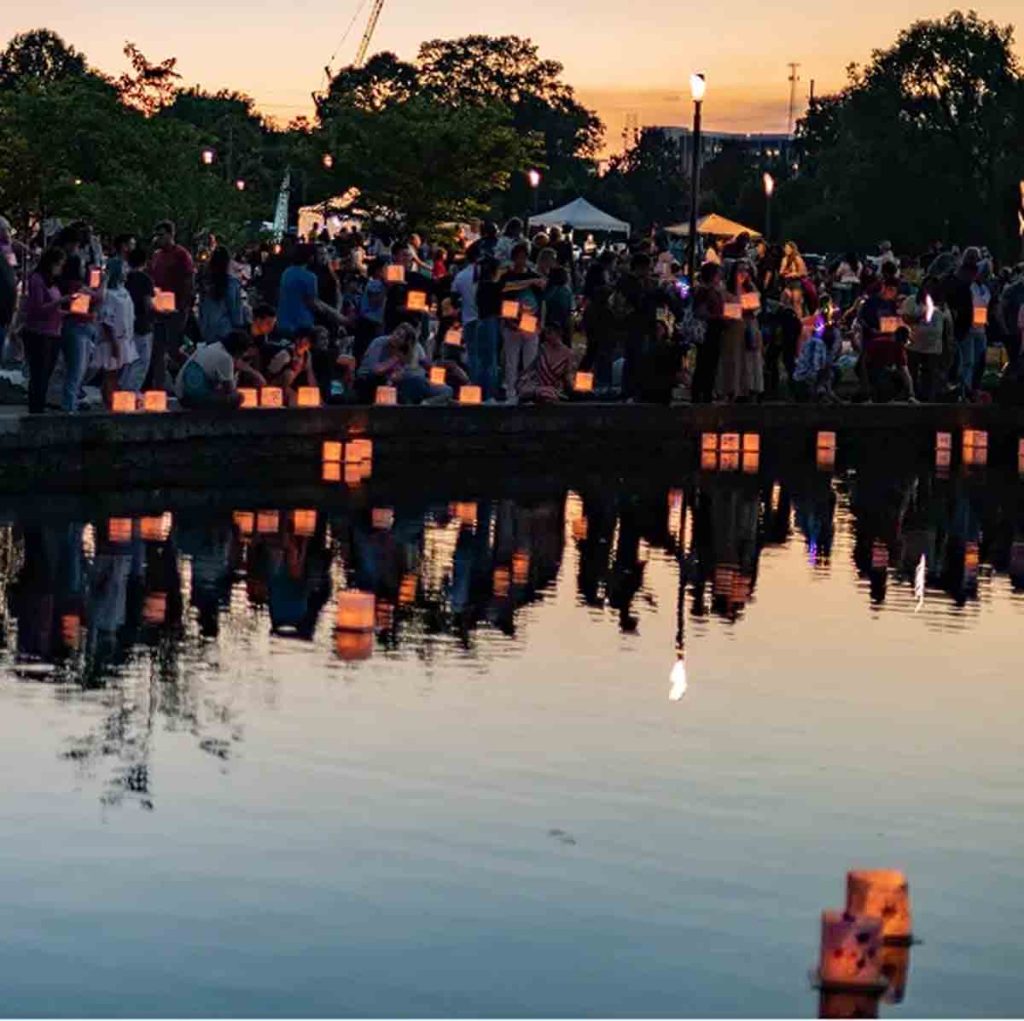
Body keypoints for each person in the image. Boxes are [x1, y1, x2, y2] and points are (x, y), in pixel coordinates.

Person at [23, 247, 72, 413]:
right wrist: (60, 302)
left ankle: (40, 405)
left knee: (47, 373)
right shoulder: (37, 280)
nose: (60, 268)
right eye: (59, 264)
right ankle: (36, 407)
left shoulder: (53, 283)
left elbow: (51, 309)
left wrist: (68, 312)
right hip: (39, 332)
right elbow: (38, 308)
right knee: (39, 374)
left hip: (54, 331)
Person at [148, 220, 195, 392]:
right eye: (157, 235)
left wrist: (183, 307)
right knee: (157, 349)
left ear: (170, 235)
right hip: (159, 308)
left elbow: (189, 280)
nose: (159, 239)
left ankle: (194, 371)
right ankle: (158, 387)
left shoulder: (182, 255)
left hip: (176, 308)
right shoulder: (156, 255)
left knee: (174, 349)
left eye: (162, 235)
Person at [91, 258, 137, 407]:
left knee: (118, 373)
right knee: (110, 372)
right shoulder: (109, 294)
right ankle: (109, 401)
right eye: (123, 269)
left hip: (125, 337)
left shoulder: (124, 291)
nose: (126, 272)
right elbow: (106, 319)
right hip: (112, 340)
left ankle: (115, 399)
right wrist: (114, 342)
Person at [501, 243, 544, 400]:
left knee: (530, 361)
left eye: (524, 256)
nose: (521, 259)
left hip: (531, 323)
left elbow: (541, 302)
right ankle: (510, 392)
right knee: (511, 361)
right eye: (519, 256)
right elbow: (504, 299)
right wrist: (508, 320)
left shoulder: (534, 277)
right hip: (512, 323)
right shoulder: (508, 277)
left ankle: (528, 392)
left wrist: (540, 323)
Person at [901, 276, 950, 402]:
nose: (929, 290)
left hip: (934, 348)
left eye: (933, 287)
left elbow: (947, 326)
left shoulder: (942, 306)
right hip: (914, 345)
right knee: (912, 374)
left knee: (930, 376)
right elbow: (905, 318)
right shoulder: (912, 301)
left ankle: (929, 400)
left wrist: (947, 345)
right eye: (927, 286)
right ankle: (912, 396)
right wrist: (920, 317)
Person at [175, 329, 248, 408]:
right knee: (238, 397)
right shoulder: (225, 358)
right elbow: (229, 389)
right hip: (192, 399)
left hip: (181, 394)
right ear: (238, 351)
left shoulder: (213, 347)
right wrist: (244, 370)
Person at [121, 246, 155, 391]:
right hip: (142, 325)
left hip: (126, 324)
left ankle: (122, 389)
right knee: (142, 360)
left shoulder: (125, 278)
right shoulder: (145, 280)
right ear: (145, 262)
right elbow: (147, 304)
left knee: (128, 360)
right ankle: (131, 391)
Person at [691, 262, 725, 403]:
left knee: (708, 362)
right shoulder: (704, 291)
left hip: (714, 329)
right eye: (718, 274)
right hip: (708, 330)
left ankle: (704, 391)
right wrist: (719, 317)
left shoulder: (713, 290)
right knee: (705, 362)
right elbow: (700, 312)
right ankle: (702, 393)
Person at [198, 246, 244, 346]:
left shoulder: (206, 283)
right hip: (225, 332)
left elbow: (201, 307)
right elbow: (236, 312)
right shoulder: (232, 283)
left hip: (207, 331)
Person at [518, 323, 575, 403]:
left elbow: (568, 374)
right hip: (538, 386)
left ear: (558, 334)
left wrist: (574, 388)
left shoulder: (568, 353)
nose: (547, 336)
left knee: (549, 394)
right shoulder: (542, 348)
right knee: (531, 390)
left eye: (550, 333)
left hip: (555, 387)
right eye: (546, 333)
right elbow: (531, 368)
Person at [470, 256, 502, 401]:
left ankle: (478, 392)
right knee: (490, 360)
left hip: (480, 322)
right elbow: (510, 285)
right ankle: (489, 394)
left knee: (482, 359)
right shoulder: (492, 286)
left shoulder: (479, 285)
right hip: (490, 321)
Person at [276, 243, 320, 338]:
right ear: (311, 257)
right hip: (302, 323)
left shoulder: (286, 272)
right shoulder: (310, 277)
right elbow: (312, 302)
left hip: (283, 321)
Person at [265, 326, 318, 403]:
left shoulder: (307, 355)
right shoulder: (285, 354)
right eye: (303, 339)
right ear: (297, 339)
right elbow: (269, 374)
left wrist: (315, 394)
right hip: (274, 386)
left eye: (308, 341)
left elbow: (310, 375)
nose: (305, 343)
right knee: (289, 374)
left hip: (290, 385)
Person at [865, 324, 916, 403]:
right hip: (871, 369)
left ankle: (877, 396)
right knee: (897, 377)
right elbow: (905, 372)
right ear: (904, 339)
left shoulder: (881, 340)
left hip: (867, 368)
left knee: (886, 373)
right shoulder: (898, 347)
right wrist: (911, 394)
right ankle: (882, 398)